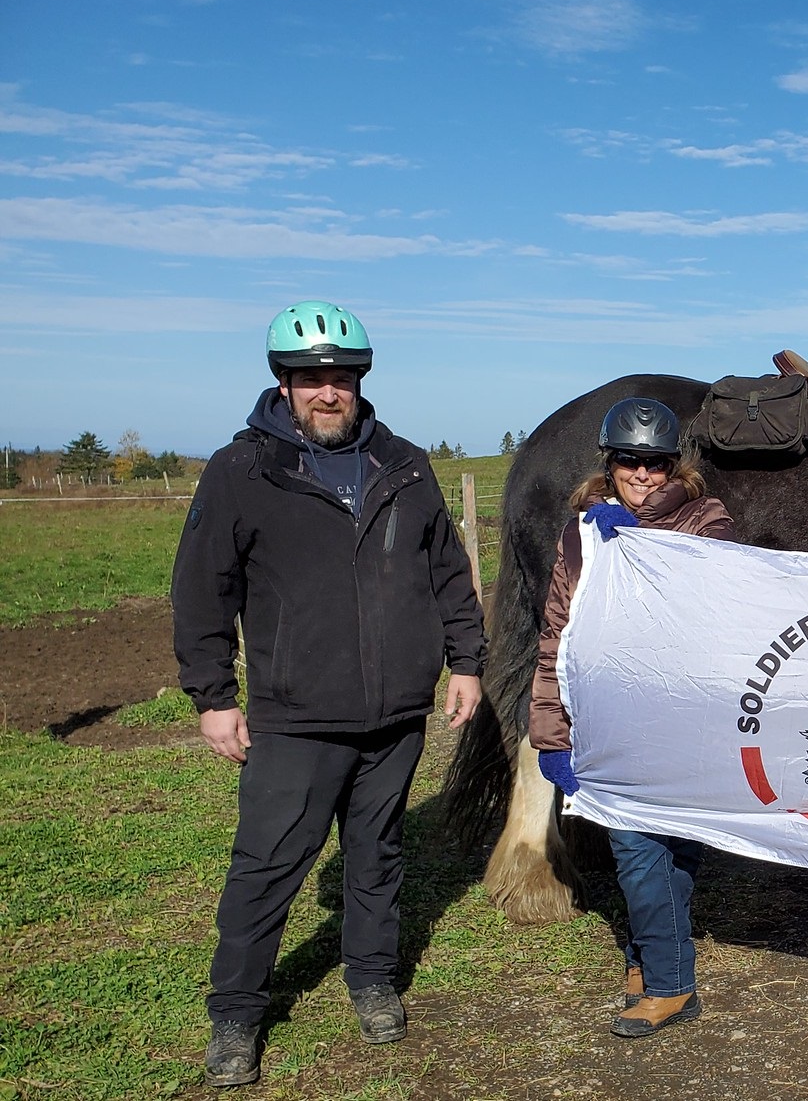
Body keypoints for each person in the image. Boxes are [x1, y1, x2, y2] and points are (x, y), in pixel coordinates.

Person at [173, 301, 485, 1089]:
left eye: (340, 377)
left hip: (395, 716)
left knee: (377, 855)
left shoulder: (406, 465)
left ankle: (372, 980)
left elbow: (448, 573)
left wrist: (466, 663)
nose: (327, 391)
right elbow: (201, 591)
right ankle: (237, 1013)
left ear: (359, 380)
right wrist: (213, 695)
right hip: (296, 716)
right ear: (283, 383)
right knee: (269, 864)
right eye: (310, 377)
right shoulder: (241, 470)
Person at [530, 398, 735, 1039]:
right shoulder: (581, 532)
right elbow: (556, 633)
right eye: (629, 462)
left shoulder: (707, 520)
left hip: (683, 713)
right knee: (636, 848)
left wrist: (640, 546)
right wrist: (551, 730)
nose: (642, 475)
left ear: (674, 466)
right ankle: (671, 981)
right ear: (610, 464)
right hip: (612, 715)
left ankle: (652, 956)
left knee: (676, 849)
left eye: (654, 463)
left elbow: (711, 599)